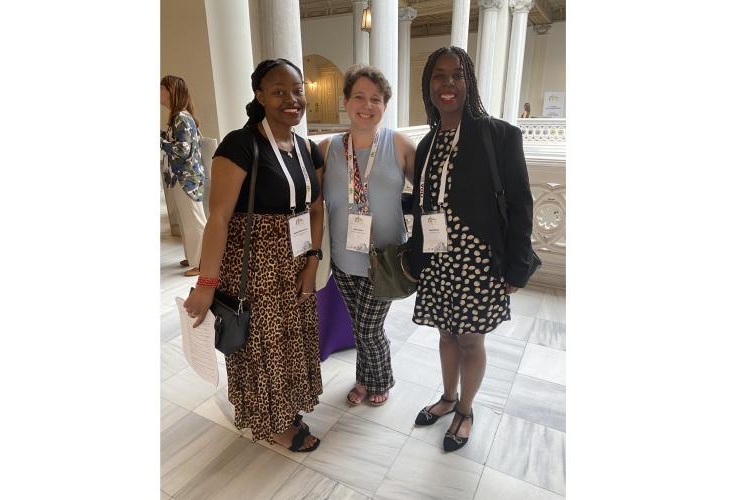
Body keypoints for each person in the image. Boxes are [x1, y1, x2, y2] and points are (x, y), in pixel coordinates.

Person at [183, 59, 325, 452]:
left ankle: (289, 406)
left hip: (296, 262)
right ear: (260, 96)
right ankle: (272, 420)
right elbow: (219, 218)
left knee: (292, 342)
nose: (291, 99)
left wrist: (313, 262)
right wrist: (207, 285)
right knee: (262, 347)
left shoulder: (306, 148)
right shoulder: (241, 144)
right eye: (279, 91)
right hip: (255, 267)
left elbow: (316, 208)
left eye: (297, 90)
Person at [408, 47, 535, 452]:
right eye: (438, 76)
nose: (447, 84)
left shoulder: (498, 135)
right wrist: (415, 257)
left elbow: (520, 203)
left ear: (469, 82)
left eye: (456, 75)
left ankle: (465, 409)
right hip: (438, 256)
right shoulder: (427, 143)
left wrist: (516, 267)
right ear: (427, 87)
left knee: (470, 340)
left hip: (480, 259)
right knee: (446, 334)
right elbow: (423, 205)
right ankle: (447, 397)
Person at [318, 65, 416, 407]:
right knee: (361, 327)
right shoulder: (327, 149)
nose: (367, 104)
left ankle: (380, 379)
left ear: (385, 105)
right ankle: (364, 380)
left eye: (376, 98)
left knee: (370, 329)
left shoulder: (399, 144)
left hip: (386, 261)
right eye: (358, 96)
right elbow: (311, 201)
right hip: (344, 260)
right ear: (345, 101)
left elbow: (432, 194)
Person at [160, 75, 207, 277]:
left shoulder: (181, 117)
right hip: (183, 177)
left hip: (187, 179)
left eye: (161, 89)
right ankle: (193, 257)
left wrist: (160, 142)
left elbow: (182, 150)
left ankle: (203, 263)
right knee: (188, 220)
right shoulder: (179, 116)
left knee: (195, 221)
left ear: (172, 92)